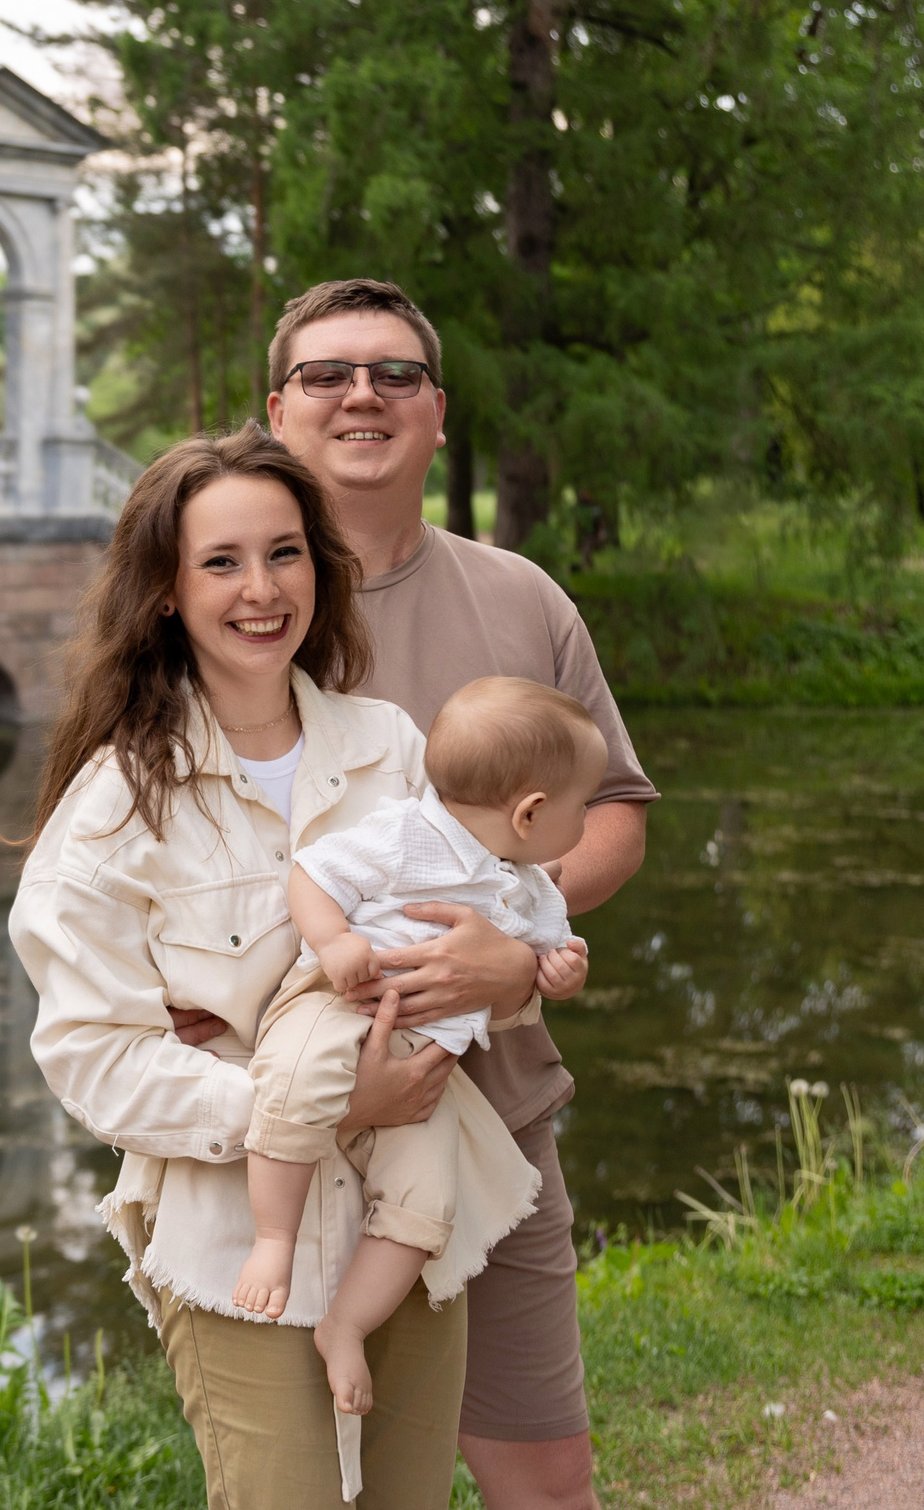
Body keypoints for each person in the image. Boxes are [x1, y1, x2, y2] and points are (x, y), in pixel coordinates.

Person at [178, 278, 659, 1510]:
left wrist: (513, 941)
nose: (363, 395)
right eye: (327, 374)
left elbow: (613, 814)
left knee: (542, 1479)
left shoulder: (520, 598)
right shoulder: (224, 610)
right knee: (320, 1490)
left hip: (490, 1111)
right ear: (273, 410)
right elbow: (136, 864)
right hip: (280, 1132)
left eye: (395, 373)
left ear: (438, 413)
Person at [10, 425, 468, 1510]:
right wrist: (307, 1097)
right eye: (220, 562)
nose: (260, 590)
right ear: (165, 593)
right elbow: (90, 1057)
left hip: (408, 1225)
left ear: (320, 565)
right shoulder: (117, 806)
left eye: (284, 553)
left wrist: (491, 966)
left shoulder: (391, 749)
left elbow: (464, 935)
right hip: (234, 1251)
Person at [237, 676, 609, 1479]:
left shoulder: (531, 885)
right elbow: (313, 874)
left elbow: (547, 954)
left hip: (426, 1066)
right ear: (530, 812)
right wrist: (334, 940)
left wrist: (561, 969)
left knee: (427, 1202)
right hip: (341, 1004)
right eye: (582, 807)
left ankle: (346, 1324)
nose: (586, 824)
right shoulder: (406, 833)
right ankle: (274, 1239)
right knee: (294, 1081)